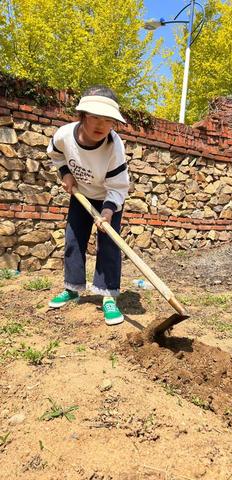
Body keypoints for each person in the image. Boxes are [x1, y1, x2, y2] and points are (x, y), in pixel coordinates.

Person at [47, 85, 130, 326]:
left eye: (108, 120)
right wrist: (65, 174)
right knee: (74, 239)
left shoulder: (114, 147)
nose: (100, 125)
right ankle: (72, 288)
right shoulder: (64, 135)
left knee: (109, 244)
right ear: (82, 116)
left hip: (108, 198)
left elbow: (118, 187)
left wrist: (106, 212)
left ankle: (107, 294)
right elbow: (55, 154)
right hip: (81, 195)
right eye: (94, 117)